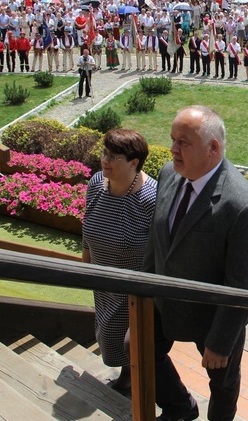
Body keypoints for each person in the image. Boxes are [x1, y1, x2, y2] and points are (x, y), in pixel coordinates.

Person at [142, 105, 248, 421]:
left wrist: (221, 341)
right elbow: (157, 241)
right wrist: (141, 294)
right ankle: (180, 407)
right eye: (172, 139)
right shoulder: (169, 173)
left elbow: (243, 285)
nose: (173, 149)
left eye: (183, 142)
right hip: (161, 302)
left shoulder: (245, 206)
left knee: (223, 384)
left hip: (212, 317)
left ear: (213, 148)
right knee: (141, 351)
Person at [82, 129, 157, 394]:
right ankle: (127, 376)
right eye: (104, 153)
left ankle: (130, 379)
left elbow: (160, 249)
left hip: (132, 287)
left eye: (113, 156)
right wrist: (85, 263)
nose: (105, 160)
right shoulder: (96, 184)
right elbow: (86, 225)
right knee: (105, 333)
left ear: (134, 163)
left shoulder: (151, 198)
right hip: (101, 278)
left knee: (121, 337)